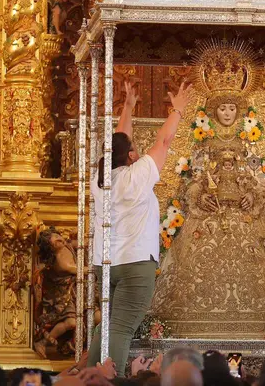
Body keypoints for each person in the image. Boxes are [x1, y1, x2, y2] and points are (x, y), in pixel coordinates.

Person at [87, 81, 192, 373]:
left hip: (106, 264)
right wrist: (177, 111)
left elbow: (121, 142)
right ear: (132, 156)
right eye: (133, 149)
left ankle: (90, 377)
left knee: (108, 327)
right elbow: (163, 142)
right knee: (120, 329)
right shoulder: (137, 176)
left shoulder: (99, 180)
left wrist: (129, 107)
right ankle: (110, 379)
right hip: (134, 264)